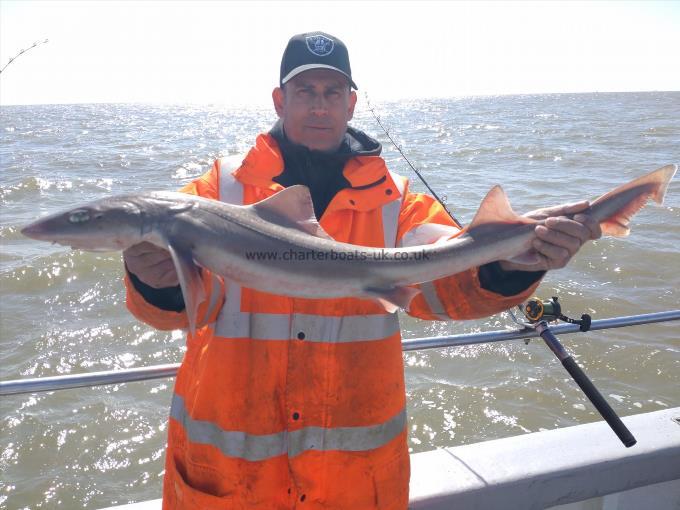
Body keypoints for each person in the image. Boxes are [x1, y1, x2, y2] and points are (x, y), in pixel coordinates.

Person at [123, 32, 601, 510]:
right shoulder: (217, 191)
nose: (319, 107)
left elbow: (445, 291)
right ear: (279, 99)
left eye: (332, 93)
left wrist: (509, 266)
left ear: (351, 104)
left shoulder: (397, 202)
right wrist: (155, 280)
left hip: (353, 485)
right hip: (229, 481)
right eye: (305, 91)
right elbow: (191, 307)